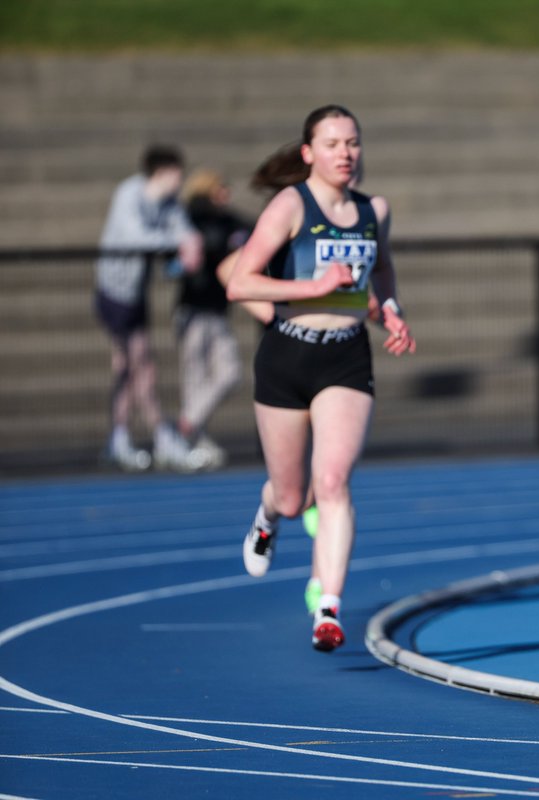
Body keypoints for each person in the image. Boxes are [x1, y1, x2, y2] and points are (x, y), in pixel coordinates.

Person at [227, 105, 415, 652]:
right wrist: (315, 289)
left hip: (346, 359)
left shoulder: (373, 209)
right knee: (292, 498)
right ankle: (268, 515)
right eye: (332, 143)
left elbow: (379, 272)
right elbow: (241, 283)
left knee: (331, 483)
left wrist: (391, 312)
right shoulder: (291, 205)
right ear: (308, 153)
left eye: (353, 142)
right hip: (287, 355)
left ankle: (327, 609)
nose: (345, 153)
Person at [95, 144, 204, 471]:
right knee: (134, 366)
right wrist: (180, 243)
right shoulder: (129, 194)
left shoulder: (169, 204)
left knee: (136, 369)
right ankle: (143, 435)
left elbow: (182, 228)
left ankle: (136, 435)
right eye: (177, 174)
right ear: (163, 172)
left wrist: (190, 241)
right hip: (114, 291)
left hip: (135, 292)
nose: (180, 181)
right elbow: (136, 236)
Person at [176, 169, 253, 469]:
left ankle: (189, 421)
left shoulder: (228, 219)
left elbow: (253, 228)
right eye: (222, 189)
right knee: (194, 376)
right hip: (193, 308)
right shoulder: (191, 218)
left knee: (229, 370)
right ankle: (192, 439)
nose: (227, 196)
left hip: (217, 310)